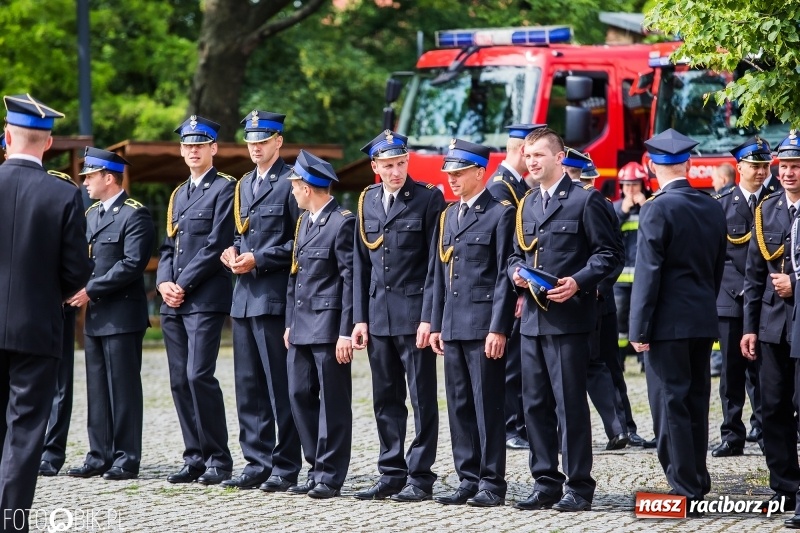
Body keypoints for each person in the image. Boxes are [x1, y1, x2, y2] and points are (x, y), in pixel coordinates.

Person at [508, 128, 622, 513]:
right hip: (532, 321)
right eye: (528, 156)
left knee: (569, 405)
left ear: (559, 158)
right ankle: (545, 481)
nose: (532, 162)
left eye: (539, 155)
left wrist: (578, 282)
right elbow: (515, 255)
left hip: (569, 320)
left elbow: (609, 254)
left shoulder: (585, 200)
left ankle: (578, 486)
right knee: (534, 404)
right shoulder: (526, 203)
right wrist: (515, 273)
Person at [0, 94, 92, 533]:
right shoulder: (64, 194)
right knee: (25, 434)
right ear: (49, 142)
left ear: (6, 136)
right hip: (37, 329)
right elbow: (76, 274)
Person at [629, 128, 726, 511]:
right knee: (697, 400)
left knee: (670, 404)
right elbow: (717, 268)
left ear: (653, 166)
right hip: (701, 318)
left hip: (666, 325)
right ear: (687, 163)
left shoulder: (657, 208)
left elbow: (648, 273)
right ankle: (697, 477)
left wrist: (638, 328)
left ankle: (684, 487)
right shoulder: (711, 205)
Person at [351, 130, 445, 502]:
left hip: (414, 316)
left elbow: (436, 264)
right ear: (375, 167)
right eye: (388, 166)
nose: (396, 172)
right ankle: (391, 472)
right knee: (385, 398)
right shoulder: (367, 200)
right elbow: (361, 265)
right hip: (378, 317)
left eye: (401, 164)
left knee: (422, 398)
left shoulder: (427, 198)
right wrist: (359, 318)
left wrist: (429, 318)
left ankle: (420, 475)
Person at [426, 139, 516, 507]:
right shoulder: (449, 215)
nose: (452, 179)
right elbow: (438, 275)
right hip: (452, 325)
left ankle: (491, 482)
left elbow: (504, 276)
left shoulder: (500, 213)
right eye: (449, 173)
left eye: (460, 173)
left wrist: (498, 327)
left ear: (480, 172)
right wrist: (435, 323)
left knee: (487, 405)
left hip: (482, 326)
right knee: (459, 405)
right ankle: (468, 477)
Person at [219, 110, 302, 491]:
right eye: (251, 141)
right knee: (248, 386)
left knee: (279, 386)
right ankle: (256, 461)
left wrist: (260, 258)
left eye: (263, 141)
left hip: (273, 297)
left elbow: (300, 242)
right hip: (244, 298)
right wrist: (232, 252)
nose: (256, 147)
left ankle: (286, 465)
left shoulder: (291, 181)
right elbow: (241, 234)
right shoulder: (244, 184)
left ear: (278, 141)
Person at [64, 147, 155, 481]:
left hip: (122, 316)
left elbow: (132, 264)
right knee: (97, 389)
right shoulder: (91, 215)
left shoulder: (135, 214)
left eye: (90, 176)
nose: (85, 182)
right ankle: (98, 454)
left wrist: (91, 289)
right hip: (97, 316)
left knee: (123, 389)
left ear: (109, 178)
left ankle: (126, 458)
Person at [157, 115, 236, 485]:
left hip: (204, 297)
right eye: (188, 146)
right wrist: (163, 283)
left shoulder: (225, 189)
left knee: (198, 375)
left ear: (213, 148)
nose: (193, 151)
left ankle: (219, 459)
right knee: (178, 380)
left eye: (200, 145)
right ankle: (195, 458)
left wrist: (181, 284)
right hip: (173, 300)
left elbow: (216, 244)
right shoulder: (178, 194)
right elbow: (167, 246)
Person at [284, 150, 355, 499]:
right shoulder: (304, 222)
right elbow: (294, 276)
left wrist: (345, 332)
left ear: (307, 187)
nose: (292, 191)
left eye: (294, 186)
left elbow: (350, 280)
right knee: (299, 393)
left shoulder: (341, 223)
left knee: (333, 403)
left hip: (328, 327)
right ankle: (315, 466)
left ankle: (330, 474)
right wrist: (288, 322)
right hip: (300, 325)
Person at [741, 131, 800, 521]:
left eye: (796, 167)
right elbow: (753, 275)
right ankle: (785, 486)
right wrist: (749, 327)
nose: (789, 173)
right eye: (785, 167)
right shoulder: (768, 209)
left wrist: (795, 283)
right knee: (773, 406)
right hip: (772, 324)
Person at [562, 150, 630, 451]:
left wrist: (598, 286)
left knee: (598, 364)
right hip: (566, 299)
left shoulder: (596, 203)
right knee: (589, 366)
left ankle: (619, 428)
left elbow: (613, 253)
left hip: (595, 300)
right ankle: (614, 428)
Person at [487, 123, 544, 451]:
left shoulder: (515, 185)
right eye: (532, 152)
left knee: (518, 364)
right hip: (509, 288)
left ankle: (518, 423)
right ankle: (511, 426)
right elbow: (503, 252)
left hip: (518, 286)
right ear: (523, 150)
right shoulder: (501, 188)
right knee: (510, 365)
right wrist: (516, 292)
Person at [711, 137, 769, 459]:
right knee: (731, 373)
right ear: (740, 168)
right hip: (731, 298)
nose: (761, 172)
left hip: (766, 300)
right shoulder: (721, 204)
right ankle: (732, 434)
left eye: (765, 166)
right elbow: (714, 257)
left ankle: (765, 429)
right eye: (755, 166)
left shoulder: (774, 202)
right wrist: (740, 288)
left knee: (764, 371)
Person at [39, 169, 80, 478]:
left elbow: (76, 264)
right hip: (21, 308)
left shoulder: (70, 220)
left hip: (57, 305)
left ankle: (51, 452)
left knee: (59, 384)